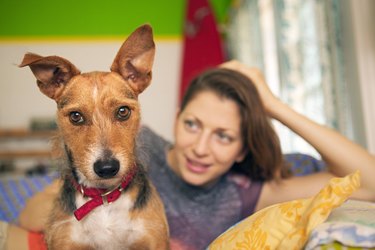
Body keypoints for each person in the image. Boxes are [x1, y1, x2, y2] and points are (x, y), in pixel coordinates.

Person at [2, 60, 375, 250]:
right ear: (177, 118)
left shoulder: (245, 190)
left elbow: (369, 183)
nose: (200, 147)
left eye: (224, 136)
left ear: (243, 147)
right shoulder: (132, 146)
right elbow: (35, 213)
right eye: (193, 124)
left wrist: (275, 105)